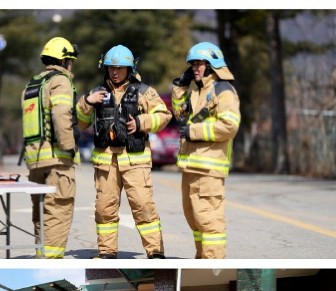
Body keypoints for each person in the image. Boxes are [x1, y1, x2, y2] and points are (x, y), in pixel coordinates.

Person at [76, 44, 171, 259]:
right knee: (104, 208)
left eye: (120, 68)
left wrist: (141, 122)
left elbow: (164, 115)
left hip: (135, 162)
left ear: (130, 69)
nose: (115, 72)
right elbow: (80, 123)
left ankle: (155, 252)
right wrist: (87, 103)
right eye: (111, 68)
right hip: (106, 163)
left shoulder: (144, 92)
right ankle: (107, 252)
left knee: (144, 206)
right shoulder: (96, 93)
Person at [171, 41, 241, 259]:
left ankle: (213, 263)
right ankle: (201, 259)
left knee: (209, 222)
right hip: (191, 166)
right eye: (192, 64)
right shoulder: (197, 92)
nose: (195, 68)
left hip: (209, 169)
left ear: (212, 65)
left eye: (199, 64)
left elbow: (229, 126)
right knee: (194, 220)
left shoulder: (224, 91)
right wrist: (180, 87)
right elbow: (179, 115)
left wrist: (195, 131)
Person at [21, 36, 81, 259]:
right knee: (57, 211)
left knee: (40, 212)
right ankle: (51, 260)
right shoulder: (60, 81)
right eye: (71, 61)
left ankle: (41, 256)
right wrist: (69, 147)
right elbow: (61, 114)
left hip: (35, 160)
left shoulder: (33, 84)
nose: (71, 66)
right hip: (57, 160)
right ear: (65, 61)